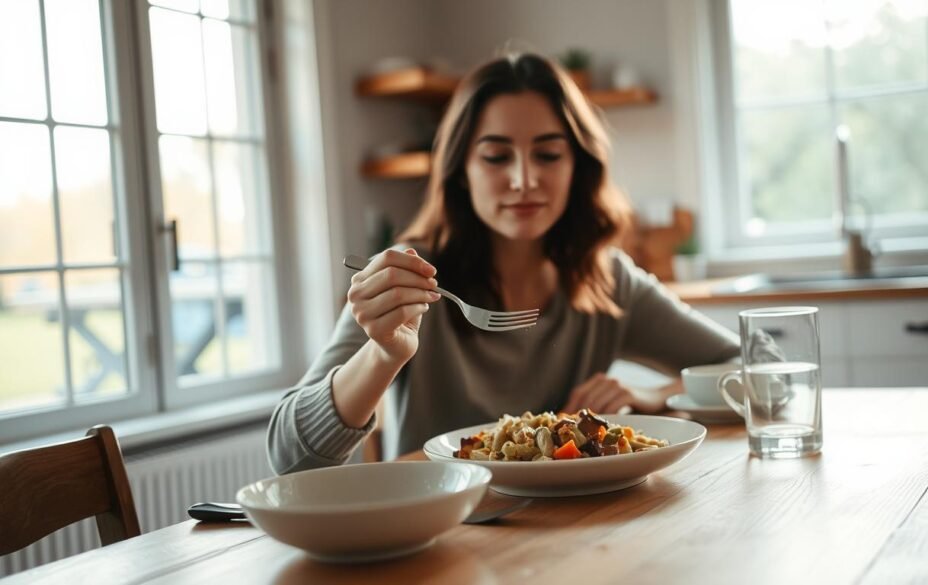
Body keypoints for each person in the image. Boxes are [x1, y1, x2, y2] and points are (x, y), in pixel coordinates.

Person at [267, 52, 739, 475]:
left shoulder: (608, 280)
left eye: (549, 154)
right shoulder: (409, 275)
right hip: (445, 537)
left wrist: (654, 396)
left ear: (578, 167)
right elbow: (291, 456)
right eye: (496, 156)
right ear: (461, 173)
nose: (523, 180)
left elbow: (758, 367)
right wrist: (383, 354)